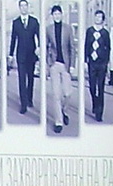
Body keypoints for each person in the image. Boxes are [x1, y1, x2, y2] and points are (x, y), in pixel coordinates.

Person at [45, 4, 74, 133]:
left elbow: (72, 48)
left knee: (67, 94)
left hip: (66, 65)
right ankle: (58, 122)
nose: (57, 16)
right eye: (54, 14)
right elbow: (46, 47)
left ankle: (64, 110)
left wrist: (72, 65)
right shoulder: (48, 29)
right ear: (52, 16)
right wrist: (48, 64)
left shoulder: (68, 29)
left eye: (58, 14)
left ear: (62, 15)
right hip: (54, 65)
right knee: (56, 95)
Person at [8, 0, 40, 116]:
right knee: (22, 79)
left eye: (25, 6)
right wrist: (10, 55)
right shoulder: (15, 22)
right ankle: (23, 104)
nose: (23, 8)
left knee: (30, 78)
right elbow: (13, 39)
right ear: (19, 8)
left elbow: (40, 36)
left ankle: (30, 99)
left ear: (28, 7)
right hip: (20, 55)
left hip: (32, 55)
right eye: (21, 6)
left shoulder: (34, 21)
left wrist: (40, 48)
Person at [84, 9, 111, 123]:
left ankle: (99, 113)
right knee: (92, 87)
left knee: (100, 88)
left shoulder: (105, 33)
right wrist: (85, 61)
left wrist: (106, 62)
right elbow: (86, 46)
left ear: (102, 19)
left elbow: (108, 48)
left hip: (101, 64)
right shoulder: (89, 31)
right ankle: (95, 103)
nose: (97, 19)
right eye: (96, 17)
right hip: (92, 63)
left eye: (100, 17)